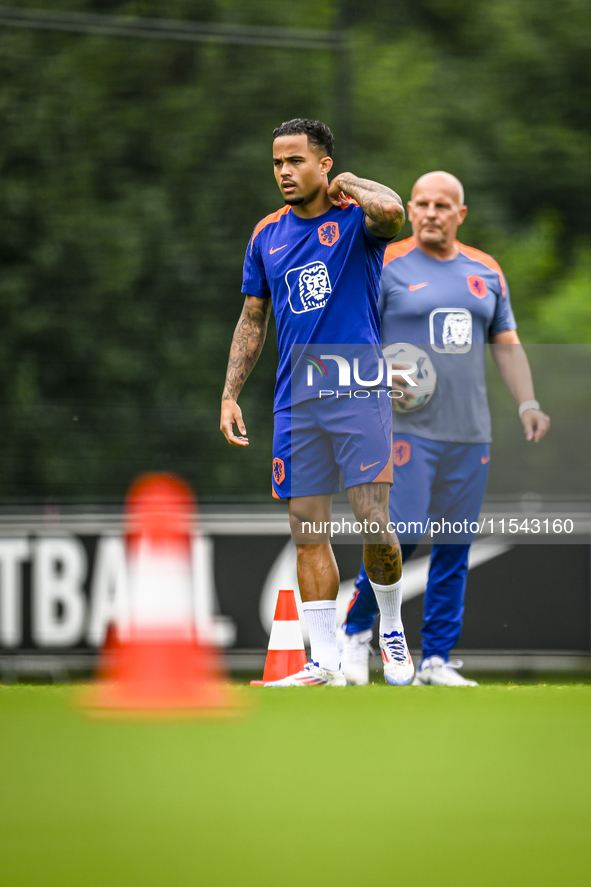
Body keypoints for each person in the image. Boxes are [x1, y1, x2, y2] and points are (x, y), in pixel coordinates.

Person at [220, 118, 415, 687]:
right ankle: (323, 661)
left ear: (323, 164)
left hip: (358, 390)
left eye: (296, 161)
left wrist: (350, 181)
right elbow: (253, 317)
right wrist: (231, 393)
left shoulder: (355, 219)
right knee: (308, 528)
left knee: (372, 520)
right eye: (277, 162)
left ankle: (392, 629)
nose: (284, 171)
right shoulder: (266, 235)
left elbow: (394, 213)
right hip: (295, 402)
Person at [341, 171, 550, 686]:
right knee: (403, 534)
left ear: (460, 214)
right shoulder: (385, 263)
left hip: (470, 432)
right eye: (423, 203)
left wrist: (528, 401)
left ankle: (435, 659)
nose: (431, 212)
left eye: (443, 205)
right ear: (410, 209)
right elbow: (355, 333)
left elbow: (507, 343)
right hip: (405, 430)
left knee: (455, 544)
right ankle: (355, 632)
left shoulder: (487, 271)